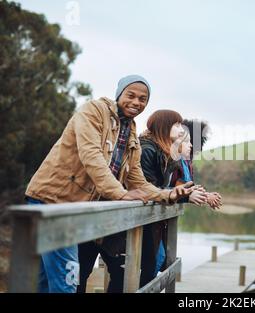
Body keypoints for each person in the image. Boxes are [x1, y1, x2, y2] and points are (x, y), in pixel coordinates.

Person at [25, 74, 193, 293]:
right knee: (67, 279)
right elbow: (91, 155)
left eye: (142, 99)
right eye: (130, 95)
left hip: (74, 209)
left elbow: (137, 179)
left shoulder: (130, 130)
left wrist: (169, 195)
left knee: (45, 281)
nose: (136, 102)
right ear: (119, 94)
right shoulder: (93, 111)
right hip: (52, 201)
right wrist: (119, 193)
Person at [138, 110, 208, 287]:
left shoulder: (165, 155)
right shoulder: (148, 150)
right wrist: (186, 196)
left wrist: (197, 194)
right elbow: (150, 187)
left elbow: (174, 187)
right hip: (142, 217)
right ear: (165, 126)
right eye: (176, 125)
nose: (191, 146)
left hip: (153, 218)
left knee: (156, 261)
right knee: (149, 263)